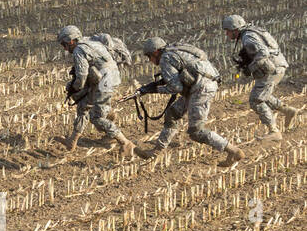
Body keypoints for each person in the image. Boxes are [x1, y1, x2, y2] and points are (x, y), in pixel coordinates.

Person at [133, 38, 243, 166]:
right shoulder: (176, 49)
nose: (150, 60)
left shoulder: (165, 58)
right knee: (172, 114)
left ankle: (233, 151)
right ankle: (157, 152)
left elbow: (176, 88)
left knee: (196, 131)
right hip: (203, 84)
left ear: (156, 52)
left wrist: (153, 89)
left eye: (149, 56)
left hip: (201, 89)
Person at [57, 25, 132, 154]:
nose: (64, 48)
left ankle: (125, 143)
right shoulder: (90, 41)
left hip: (105, 82)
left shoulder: (78, 50)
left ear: (70, 41)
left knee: (96, 117)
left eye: (64, 45)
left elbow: (81, 75)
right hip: (107, 78)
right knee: (84, 105)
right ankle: (72, 141)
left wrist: (74, 89)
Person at [224, 15, 299, 141]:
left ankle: (274, 131)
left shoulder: (248, 37)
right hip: (277, 66)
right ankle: (288, 111)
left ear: (234, 29)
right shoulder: (251, 32)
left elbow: (263, 53)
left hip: (273, 69)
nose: (226, 34)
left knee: (256, 100)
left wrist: (250, 68)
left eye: (227, 31)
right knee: (264, 95)